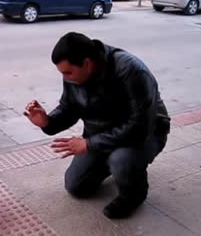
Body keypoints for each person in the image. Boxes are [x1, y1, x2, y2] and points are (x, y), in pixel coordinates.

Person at [24, 32, 171, 219]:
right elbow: (69, 107)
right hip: (102, 135)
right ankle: (119, 167)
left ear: (87, 63)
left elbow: (140, 127)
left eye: (68, 72)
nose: (65, 77)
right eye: (62, 73)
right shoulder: (73, 74)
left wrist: (90, 144)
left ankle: (134, 194)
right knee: (76, 186)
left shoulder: (131, 70)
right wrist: (47, 121)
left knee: (121, 160)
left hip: (147, 134)